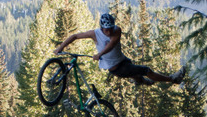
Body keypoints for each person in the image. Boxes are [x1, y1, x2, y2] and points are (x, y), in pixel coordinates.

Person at [54, 13, 186, 86]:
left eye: (111, 28)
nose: (109, 31)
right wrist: (60, 48)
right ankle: (173, 79)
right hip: (117, 69)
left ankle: (143, 82)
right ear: (101, 28)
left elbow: (111, 44)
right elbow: (75, 36)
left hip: (123, 60)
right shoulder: (95, 34)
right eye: (106, 30)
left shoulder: (117, 31)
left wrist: (99, 54)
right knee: (146, 70)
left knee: (135, 73)